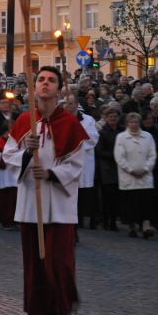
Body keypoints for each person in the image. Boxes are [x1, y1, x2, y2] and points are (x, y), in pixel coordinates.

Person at [2, 66, 88, 315]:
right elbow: (8, 154)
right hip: (31, 206)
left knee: (59, 266)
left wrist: (51, 173)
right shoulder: (26, 120)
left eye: (51, 80)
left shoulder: (70, 123)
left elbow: (76, 164)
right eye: (41, 80)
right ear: (33, 87)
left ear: (60, 89)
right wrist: (27, 152)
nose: (45, 84)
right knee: (37, 268)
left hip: (59, 207)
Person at [114, 112, 157, 239]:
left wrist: (146, 169)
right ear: (127, 124)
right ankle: (131, 226)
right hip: (128, 176)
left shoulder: (148, 136)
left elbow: (152, 155)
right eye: (131, 122)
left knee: (146, 203)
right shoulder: (121, 137)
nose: (134, 124)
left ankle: (146, 226)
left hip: (145, 176)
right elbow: (119, 157)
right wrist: (130, 170)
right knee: (131, 203)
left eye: (136, 122)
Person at [63, 94, 99, 230]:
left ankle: (78, 223)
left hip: (83, 162)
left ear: (76, 104)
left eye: (71, 103)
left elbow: (92, 138)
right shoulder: (60, 119)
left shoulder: (88, 120)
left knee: (82, 196)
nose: (68, 106)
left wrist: (75, 141)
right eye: (66, 103)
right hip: (66, 163)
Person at [95, 107, 124, 231]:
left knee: (116, 197)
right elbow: (99, 151)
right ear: (106, 118)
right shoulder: (102, 133)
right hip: (107, 169)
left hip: (120, 168)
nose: (113, 119)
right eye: (110, 117)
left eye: (115, 117)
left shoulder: (122, 131)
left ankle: (113, 220)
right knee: (106, 197)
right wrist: (115, 155)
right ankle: (105, 220)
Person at [0, 123, 17, 230]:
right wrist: (5, 156)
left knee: (13, 200)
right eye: (8, 131)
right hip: (2, 177)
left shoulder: (14, 141)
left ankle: (13, 221)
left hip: (12, 177)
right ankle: (6, 222)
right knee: (4, 201)